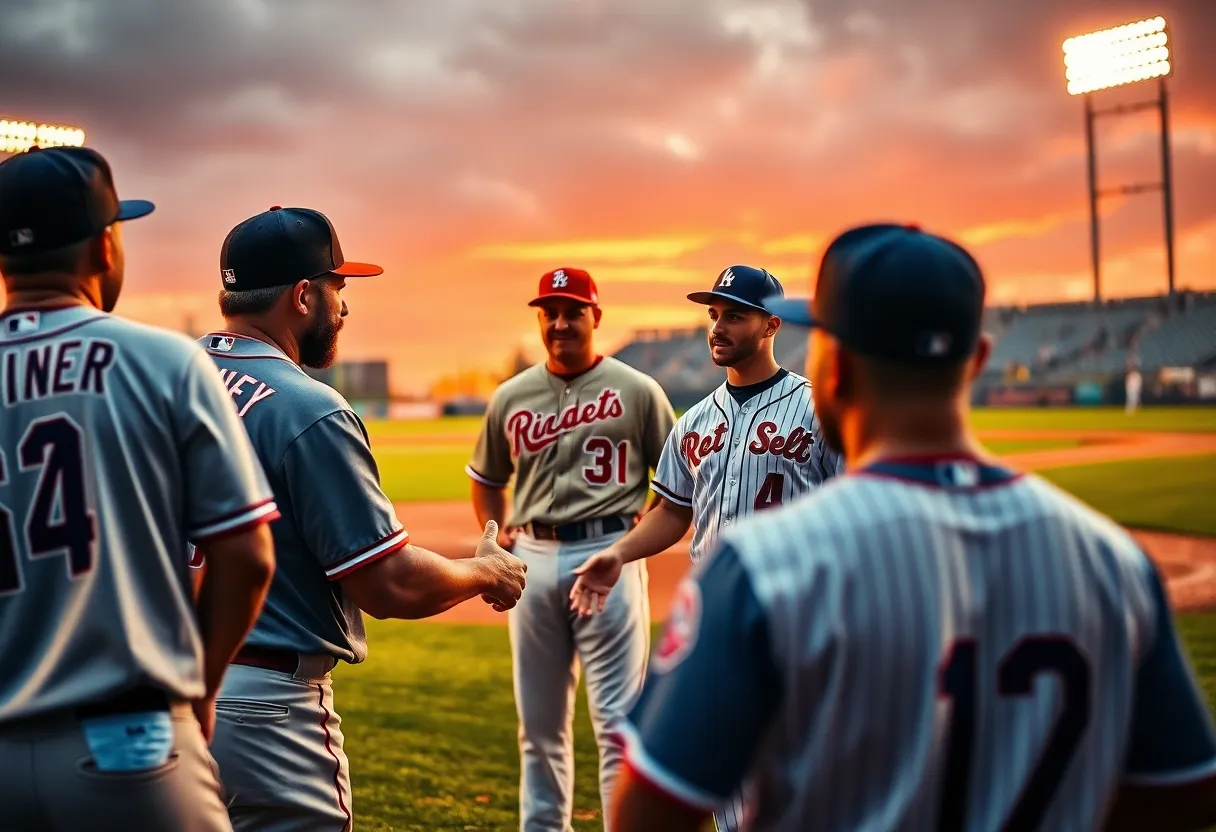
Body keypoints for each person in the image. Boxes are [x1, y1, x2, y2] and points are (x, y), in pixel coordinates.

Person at [610, 223, 1216, 831]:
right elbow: (1185, 791)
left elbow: (649, 809)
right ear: (976, 362)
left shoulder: (760, 570)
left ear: (834, 368)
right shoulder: (1112, 563)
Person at [195, 206, 528, 831]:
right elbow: (389, 583)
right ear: (302, 296)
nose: (343, 308)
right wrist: (485, 573)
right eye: (337, 288)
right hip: (265, 711)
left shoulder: (154, 382)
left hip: (152, 695)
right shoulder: (308, 408)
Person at [0, 146, 278, 831]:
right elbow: (248, 560)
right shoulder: (165, 361)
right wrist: (204, 686)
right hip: (128, 747)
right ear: (104, 247)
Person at [567, 264, 843, 832]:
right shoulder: (693, 421)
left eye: (734, 316)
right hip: (717, 622)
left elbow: (853, 510)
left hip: (798, 619)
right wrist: (618, 554)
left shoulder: (819, 413)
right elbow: (672, 511)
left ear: (770, 325)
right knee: (726, 792)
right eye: (713, 315)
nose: (717, 327)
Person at [466, 267, 677, 831]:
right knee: (537, 729)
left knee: (615, 727)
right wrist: (496, 529)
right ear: (539, 318)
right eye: (549, 312)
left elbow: (679, 486)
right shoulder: (512, 395)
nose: (560, 322)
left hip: (609, 550)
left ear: (596, 317)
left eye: (573, 311)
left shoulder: (638, 390)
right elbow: (486, 477)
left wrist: (630, 547)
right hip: (531, 557)